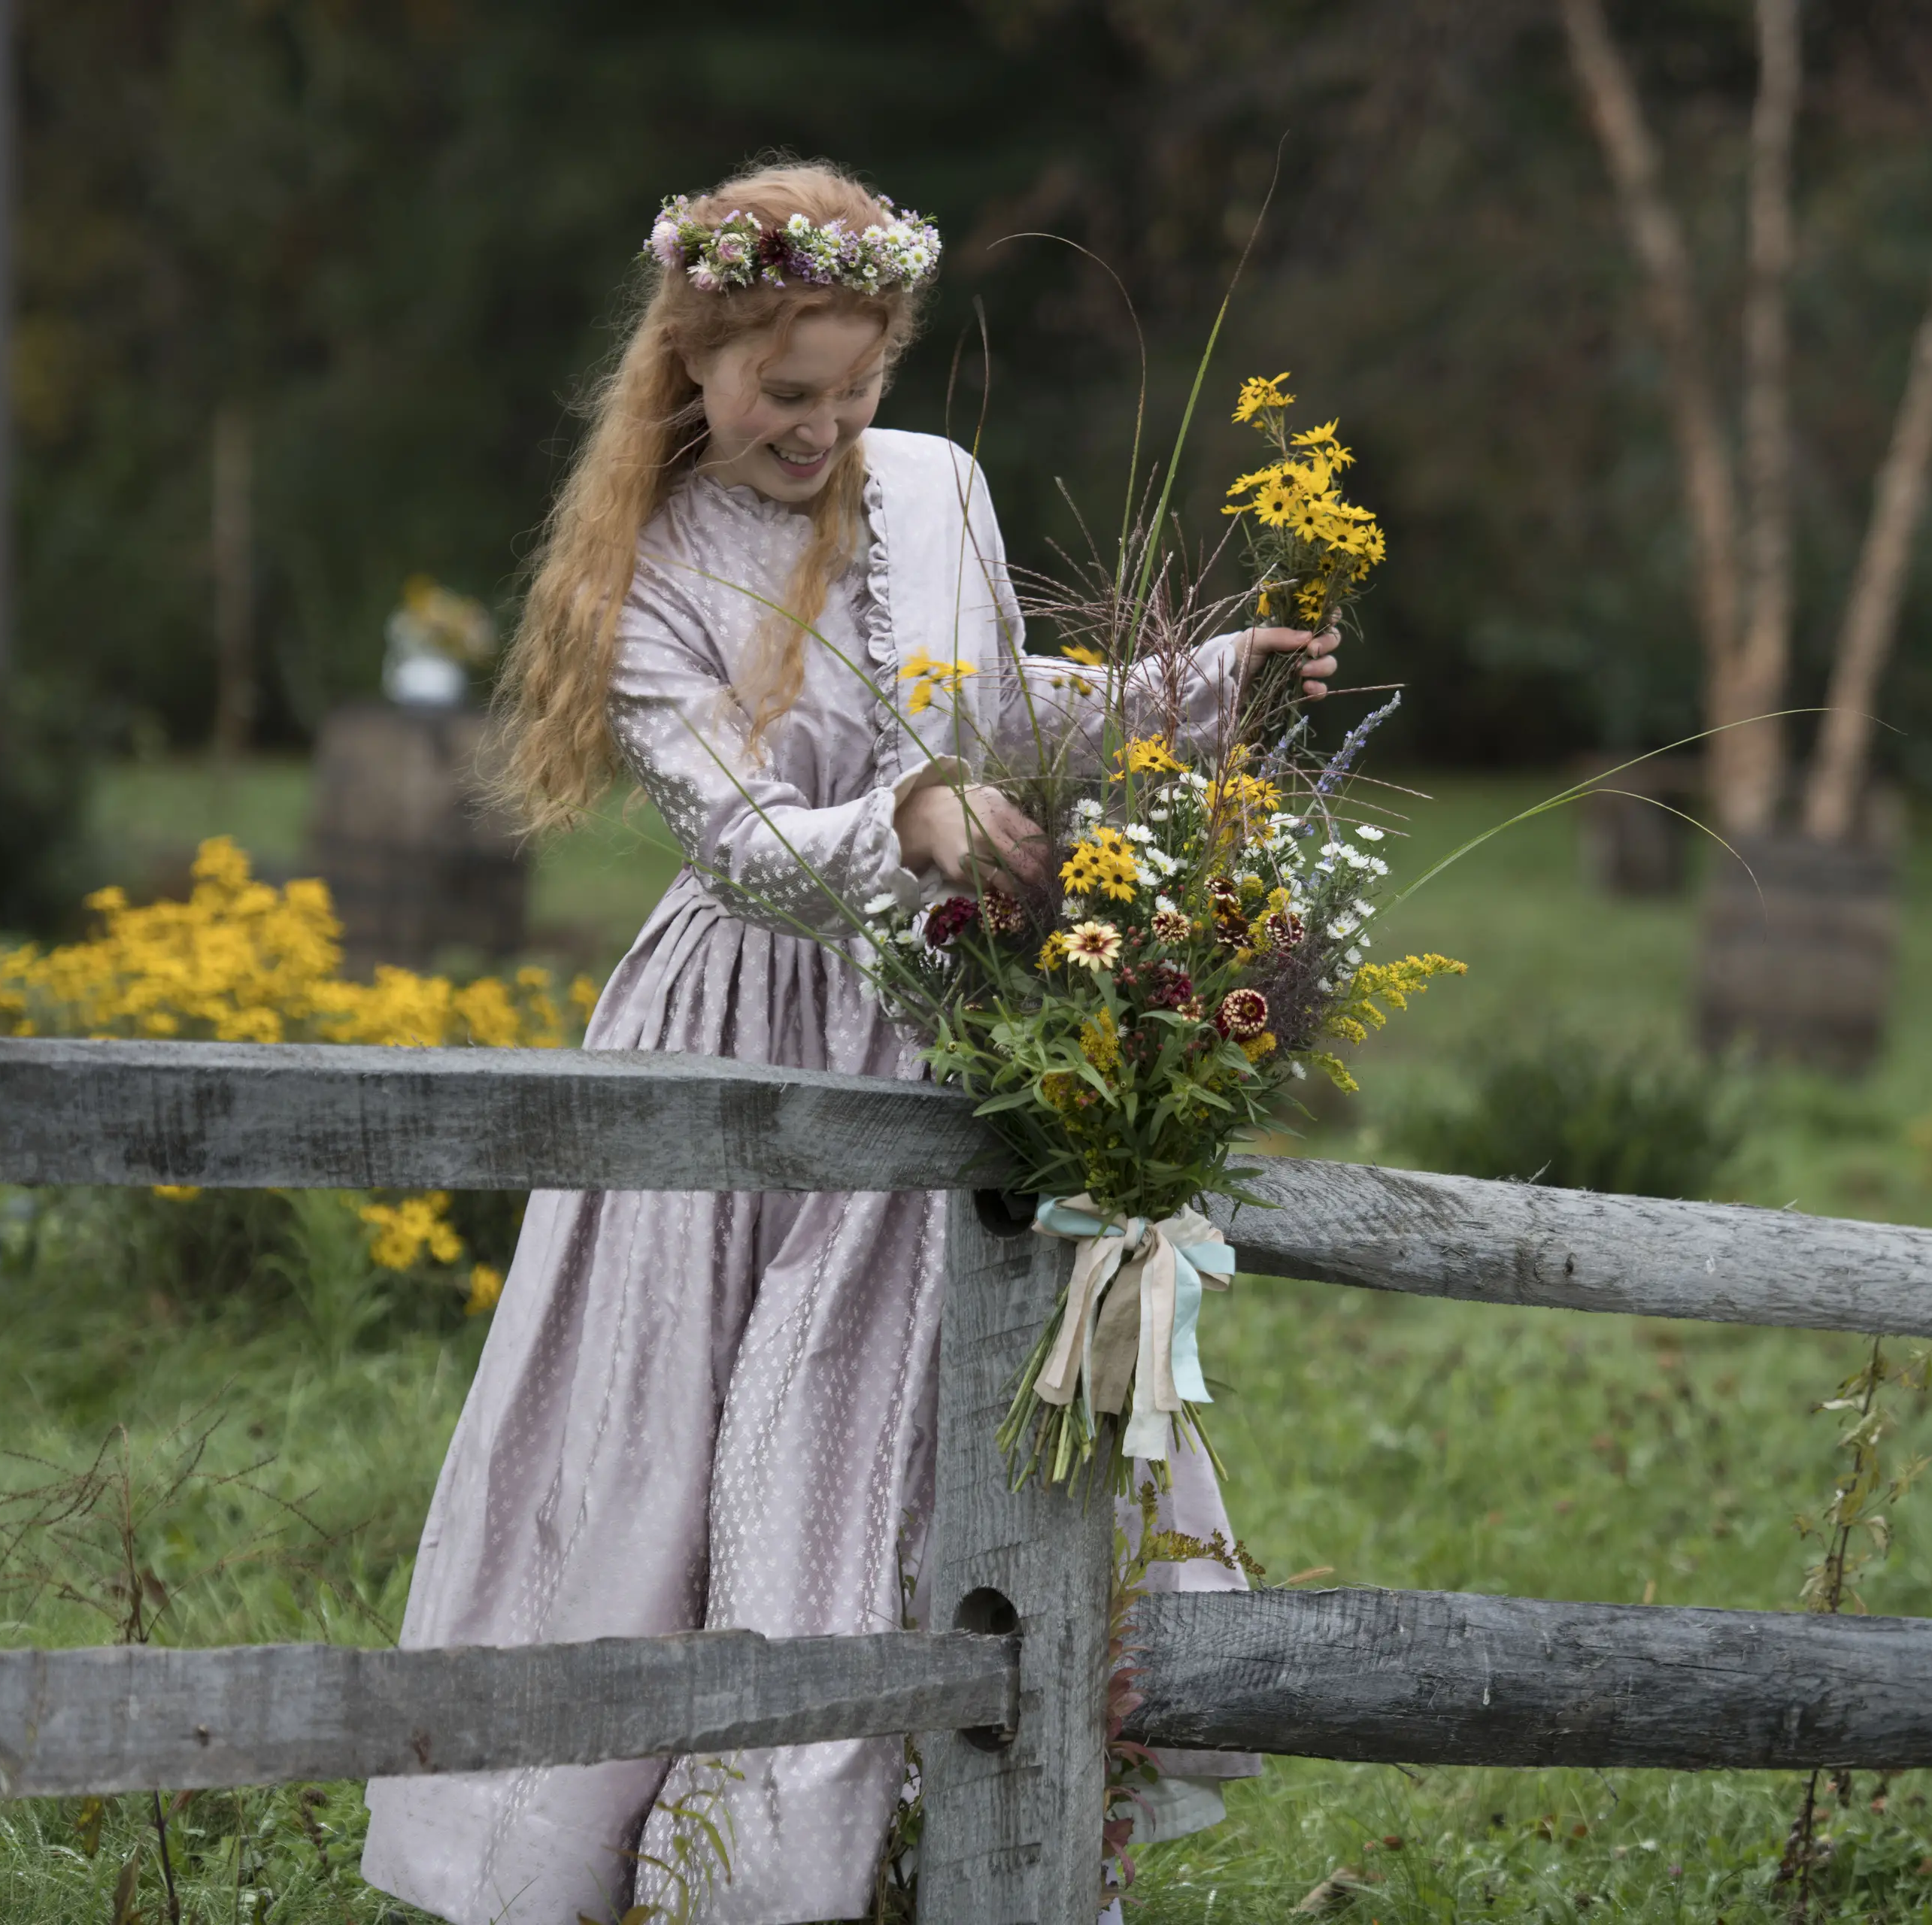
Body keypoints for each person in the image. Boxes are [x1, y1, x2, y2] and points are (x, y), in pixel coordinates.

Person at [357, 159, 1337, 1925]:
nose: (821, 427)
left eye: (856, 387)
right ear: (692, 361)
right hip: (748, 1031)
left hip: (949, 1015)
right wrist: (905, 822)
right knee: (695, 1443)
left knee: (927, 1423)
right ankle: (685, 1860)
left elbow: (999, 705)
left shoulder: (935, 487)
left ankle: (951, 1842)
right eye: (781, 393)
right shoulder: (643, 568)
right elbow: (739, 841)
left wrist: (1193, 686)